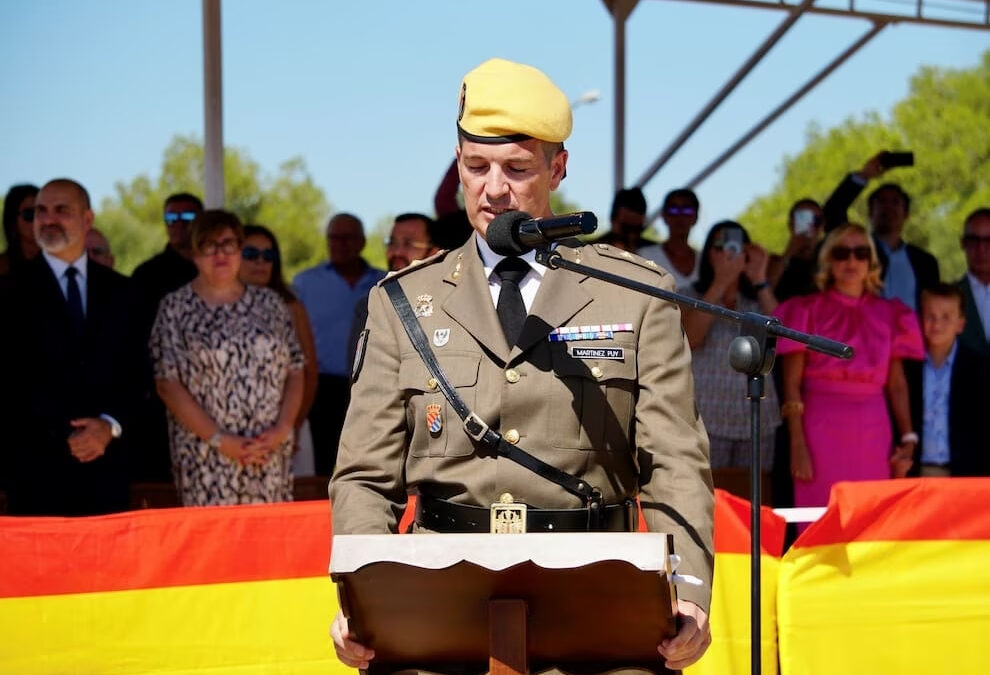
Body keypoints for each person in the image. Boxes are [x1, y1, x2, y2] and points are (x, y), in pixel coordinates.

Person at [330, 57, 713, 673]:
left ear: (558, 168)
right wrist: (360, 596)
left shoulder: (633, 294)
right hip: (436, 604)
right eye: (476, 167)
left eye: (517, 168)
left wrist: (690, 594)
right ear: (458, 164)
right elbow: (364, 475)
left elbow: (674, 460)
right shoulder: (402, 301)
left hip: (597, 599)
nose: (494, 188)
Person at [0, 179, 137, 515]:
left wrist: (108, 426)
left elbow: (139, 372)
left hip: (109, 474)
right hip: (35, 475)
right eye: (40, 212)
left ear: (87, 219)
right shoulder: (7, 291)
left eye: (61, 210)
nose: (49, 219)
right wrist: (67, 435)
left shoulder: (123, 291)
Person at [150, 210, 305, 505]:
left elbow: (296, 371)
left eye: (229, 244)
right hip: (206, 454)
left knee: (267, 543)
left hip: (267, 452)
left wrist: (282, 429)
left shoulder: (270, 304)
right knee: (213, 546)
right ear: (194, 252)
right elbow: (167, 384)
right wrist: (221, 440)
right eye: (209, 245)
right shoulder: (175, 308)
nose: (220, 254)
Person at [774, 223, 924, 512]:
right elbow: (791, 384)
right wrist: (797, 444)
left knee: (870, 519)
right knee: (820, 518)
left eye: (860, 252)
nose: (852, 261)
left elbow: (897, 384)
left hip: (873, 430)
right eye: (842, 253)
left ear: (871, 261)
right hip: (819, 430)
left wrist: (908, 437)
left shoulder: (891, 313)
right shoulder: (805, 310)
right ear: (828, 261)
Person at [682, 221, 780, 470]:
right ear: (707, 254)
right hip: (706, 419)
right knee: (710, 501)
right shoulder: (688, 294)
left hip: (757, 419)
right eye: (719, 246)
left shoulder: (757, 299)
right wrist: (721, 282)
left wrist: (759, 278)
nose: (727, 252)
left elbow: (786, 341)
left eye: (734, 245)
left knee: (754, 501)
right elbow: (691, 339)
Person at [293, 212, 385, 476]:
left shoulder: (383, 283)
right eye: (334, 237)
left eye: (348, 238)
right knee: (319, 466)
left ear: (362, 242)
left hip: (372, 386)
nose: (340, 244)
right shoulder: (305, 283)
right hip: (321, 389)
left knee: (368, 463)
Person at [130, 192, 204, 484]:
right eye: (171, 218)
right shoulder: (147, 275)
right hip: (161, 405)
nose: (179, 224)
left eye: (188, 217)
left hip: (220, 406)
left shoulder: (218, 269)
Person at [238, 224, 319, 476]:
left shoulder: (290, 305)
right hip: (234, 435)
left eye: (268, 255)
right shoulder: (215, 306)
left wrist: (293, 425)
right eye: (251, 254)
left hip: (288, 426)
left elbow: (308, 371)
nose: (260, 262)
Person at [822, 152, 939, 312]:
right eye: (881, 202)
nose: (888, 208)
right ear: (870, 212)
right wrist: (864, 175)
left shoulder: (925, 262)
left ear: (906, 214)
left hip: (910, 335)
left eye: (895, 202)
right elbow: (831, 214)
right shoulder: (859, 253)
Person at [904, 284, 990, 477]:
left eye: (946, 317)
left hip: (966, 475)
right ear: (920, 318)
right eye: (930, 316)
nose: (937, 324)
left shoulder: (981, 369)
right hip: (916, 473)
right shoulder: (907, 368)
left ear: (961, 324)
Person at [639, 188, 701, 290]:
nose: (679, 216)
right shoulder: (645, 257)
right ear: (664, 216)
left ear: (695, 217)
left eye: (687, 210)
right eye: (673, 210)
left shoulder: (707, 261)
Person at [768, 198, 826, 301]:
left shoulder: (833, 260)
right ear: (791, 224)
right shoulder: (773, 262)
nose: (810, 225)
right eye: (802, 219)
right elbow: (764, 292)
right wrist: (790, 251)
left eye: (816, 220)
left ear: (822, 226)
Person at [957, 207, 990, 356]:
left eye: (989, 241)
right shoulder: (949, 298)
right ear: (963, 243)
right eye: (973, 240)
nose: (981, 249)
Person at [595, 187, 651, 252]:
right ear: (612, 220)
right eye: (626, 228)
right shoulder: (591, 251)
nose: (631, 235)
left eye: (637, 229)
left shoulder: (652, 253)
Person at [0, 184, 40, 277]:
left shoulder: (63, 264)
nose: (38, 220)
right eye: (29, 214)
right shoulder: (2, 267)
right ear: (12, 220)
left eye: (42, 212)